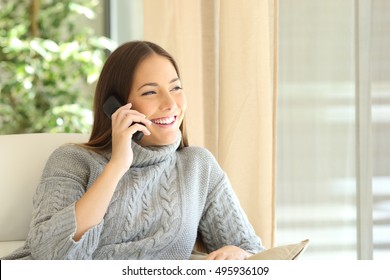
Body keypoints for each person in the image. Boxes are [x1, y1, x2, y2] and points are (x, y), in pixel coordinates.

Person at [2, 41, 264, 260]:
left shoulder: (198, 166)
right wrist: (117, 165)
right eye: (151, 92)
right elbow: (48, 254)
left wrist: (239, 255)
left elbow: (254, 250)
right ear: (116, 106)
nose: (171, 104)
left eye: (176, 88)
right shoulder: (72, 160)